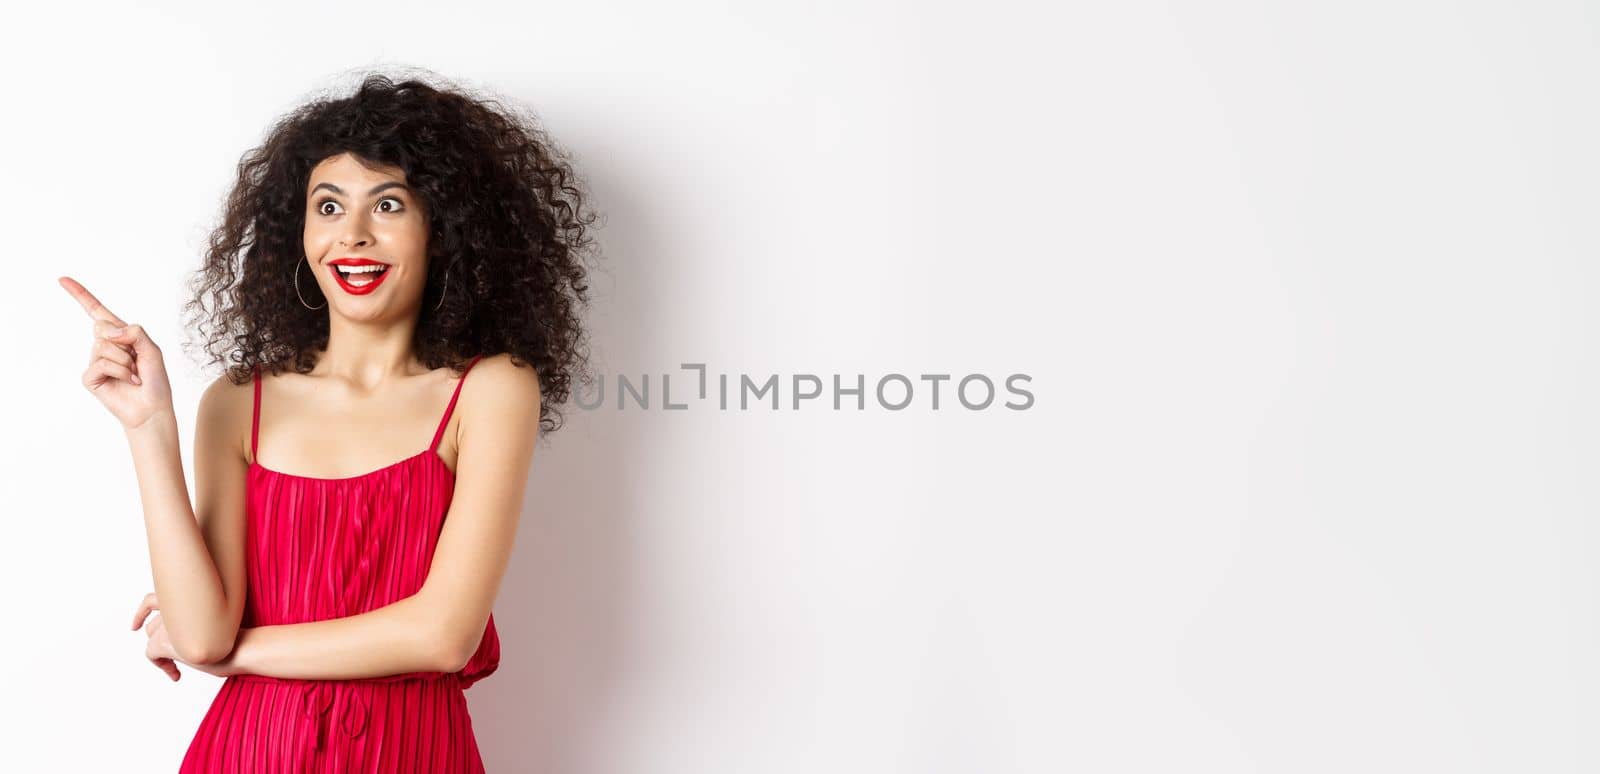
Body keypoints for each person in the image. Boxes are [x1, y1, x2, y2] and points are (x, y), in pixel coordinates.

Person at [58, 70, 599, 772]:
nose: (354, 236)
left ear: (445, 229)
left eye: (390, 205)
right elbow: (201, 631)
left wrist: (233, 654)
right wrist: (148, 425)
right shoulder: (236, 400)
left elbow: (442, 636)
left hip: (412, 752)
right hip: (250, 750)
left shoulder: (491, 389)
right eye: (329, 206)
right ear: (299, 230)